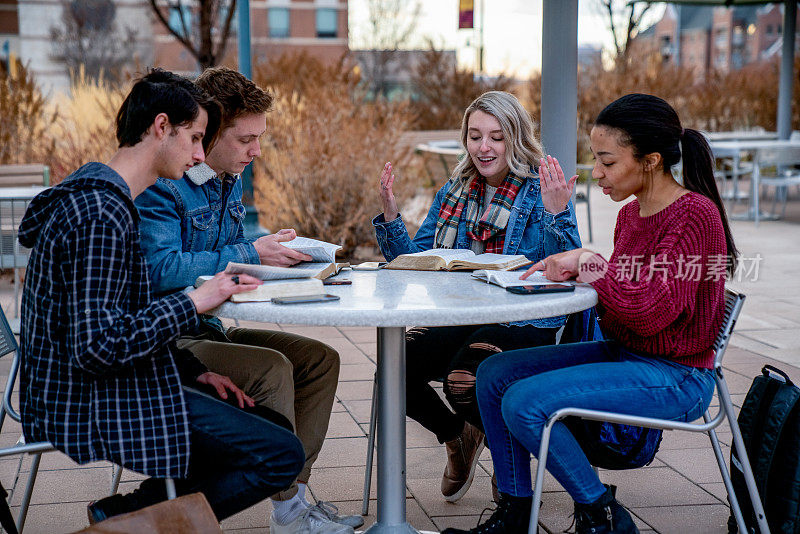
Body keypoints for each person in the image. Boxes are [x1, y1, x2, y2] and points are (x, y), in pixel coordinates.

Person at [18, 69, 306, 525]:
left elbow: (120, 320)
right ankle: (128, 519)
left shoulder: (106, 200)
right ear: (160, 126)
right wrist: (195, 301)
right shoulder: (101, 216)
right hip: (87, 401)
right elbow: (96, 347)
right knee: (279, 455)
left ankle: (124, 514)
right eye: (194, 137)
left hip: (110, 382)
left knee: (273, 430)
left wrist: (193, 370)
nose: (198, 154)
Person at [443, 93, 739, 534]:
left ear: (651, 160)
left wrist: (591, 266)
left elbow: (647, 314)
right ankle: (514, 511)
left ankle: (601, 515)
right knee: (493, 374)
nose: (596, 172)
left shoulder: (694, 216)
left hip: (679, 375)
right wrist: (583, 274)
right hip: (628, 354)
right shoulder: (632, 215)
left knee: (525, 402)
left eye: (607, 161)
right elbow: (623, 309)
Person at [134, 66, 358, 534]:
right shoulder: (164, 184)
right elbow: (160, 269)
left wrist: (275, 250)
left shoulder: (226, 179)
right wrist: (249, 252)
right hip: (170, 342)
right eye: (244, 139)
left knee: (320, 359)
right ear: (209, 132)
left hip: (210, 327)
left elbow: (230, 250)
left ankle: (292, 497)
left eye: (259, 138)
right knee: (272, 367)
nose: (256, 151)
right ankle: (289, 509)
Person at [373, 90, 582, 502]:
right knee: (393, 371)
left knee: (465, 379)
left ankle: (509, 466)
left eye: (496, 137)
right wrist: (392, 216)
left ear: (515, 138)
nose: (483, 147)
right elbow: (414, 262)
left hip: (523, 319)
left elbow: (567, 265)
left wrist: (558, 212)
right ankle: (459, 437)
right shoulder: (453, 191)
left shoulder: (539, 189)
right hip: (463, 315)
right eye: (475, 136)